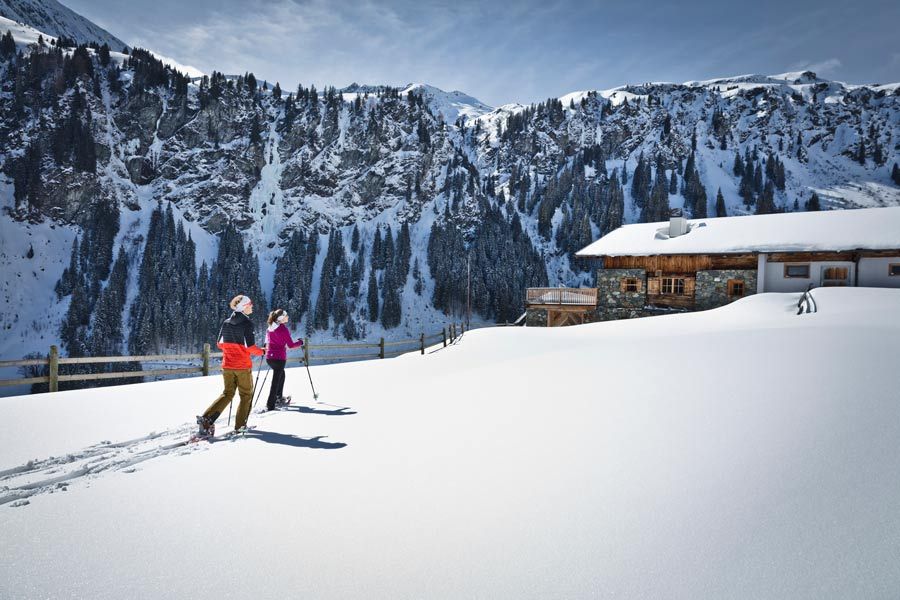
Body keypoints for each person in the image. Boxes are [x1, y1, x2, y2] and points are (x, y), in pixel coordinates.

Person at [196, 294, 265, 436]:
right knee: (246, 395)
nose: (252, 306)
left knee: (227, 394)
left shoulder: (226, 322)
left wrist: (232, 347)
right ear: (245, 306)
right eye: (250, 304)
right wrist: (262, 351)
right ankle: (240, 426)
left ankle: (207, 418)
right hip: (242, 367)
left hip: (227, 365)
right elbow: (250, 347)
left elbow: (219, 344)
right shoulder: (247, 323)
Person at [264, 308, 304, 411]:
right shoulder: (283, 329)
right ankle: (271, 404)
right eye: (286, 316)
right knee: (276, 380)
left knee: (281, 375)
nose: (288, 317)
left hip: (270, 357)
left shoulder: (270, 327)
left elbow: (267, 342)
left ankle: (278, 397)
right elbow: (290, 345)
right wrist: (300, 342)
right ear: (281, 318)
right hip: (279, 358)